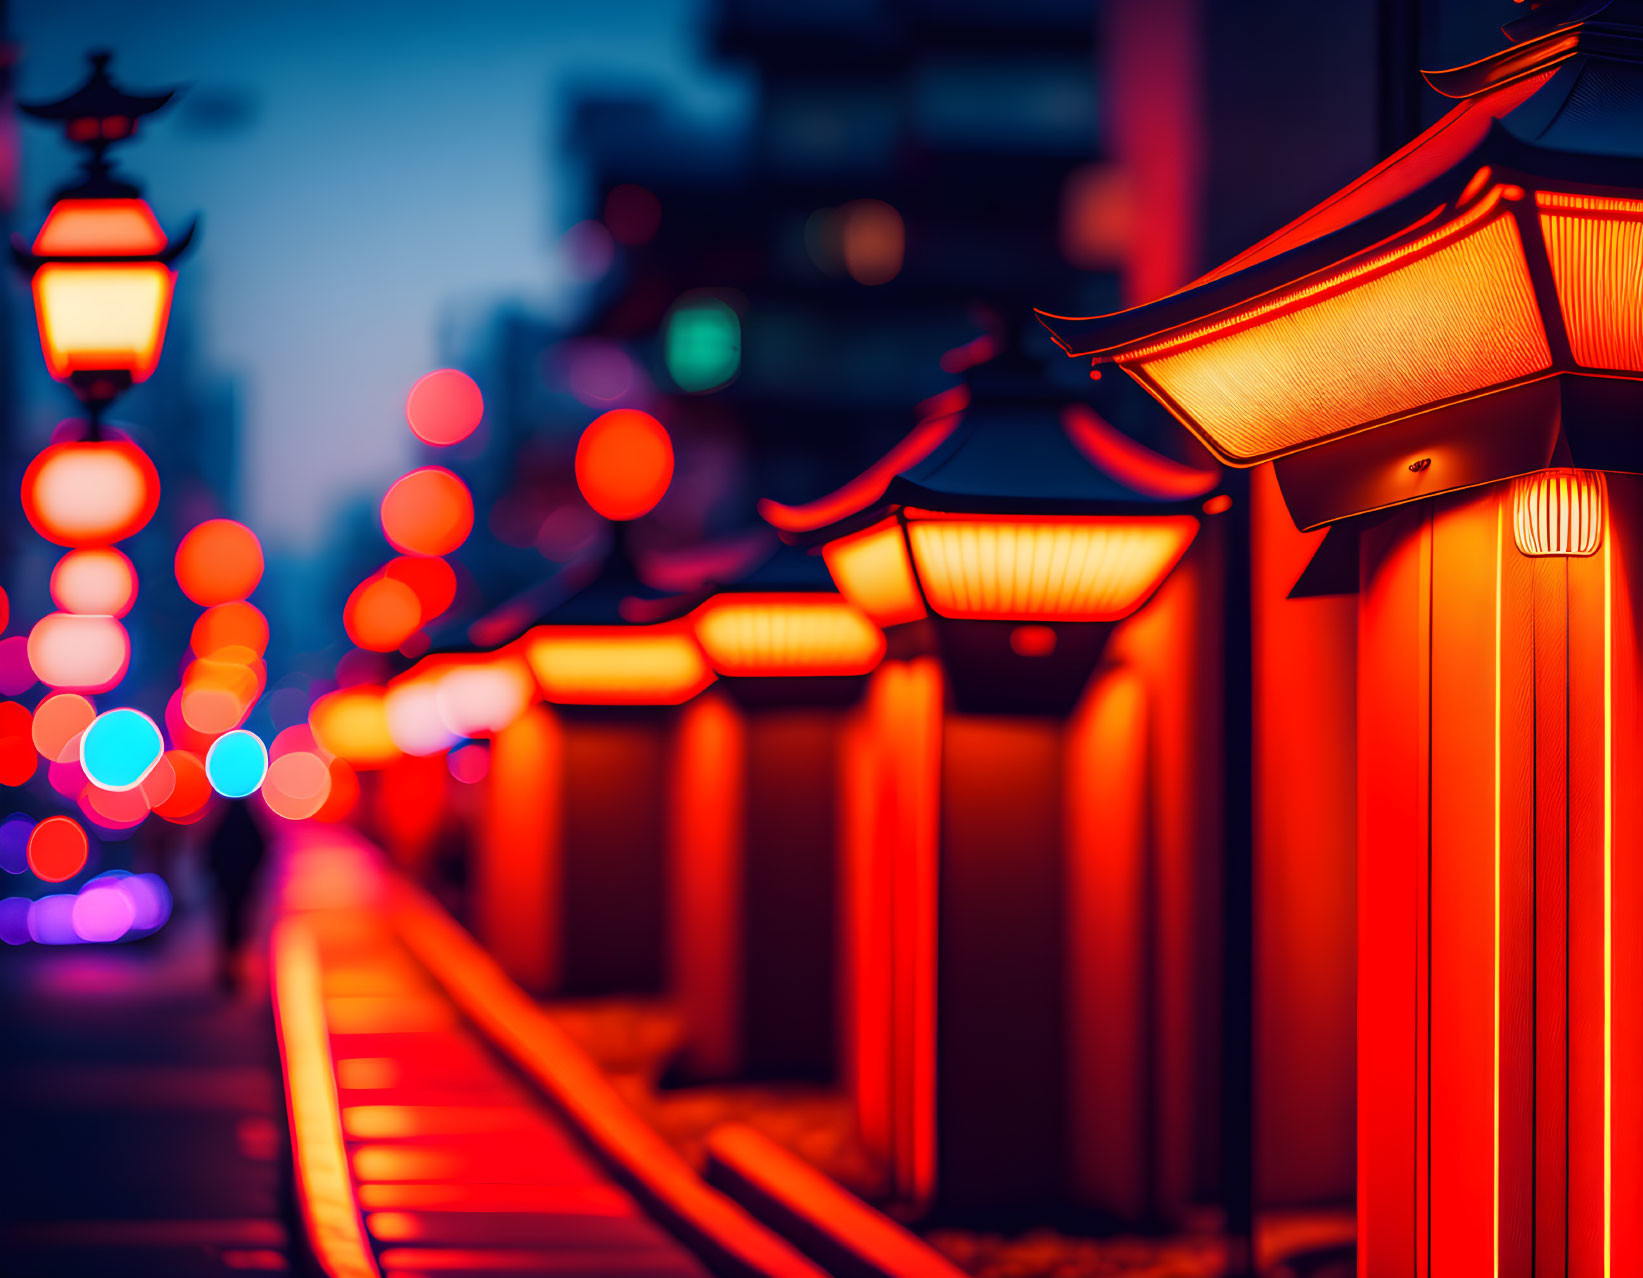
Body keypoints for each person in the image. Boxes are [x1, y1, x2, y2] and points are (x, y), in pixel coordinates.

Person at [205, 798, 268, 993]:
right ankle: (236, 967)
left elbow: (210, 850)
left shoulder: (220, 823)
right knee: (240, 924)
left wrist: (215, 873)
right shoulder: (250, 823)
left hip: (226, 884)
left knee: (227, 925)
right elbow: (261, 848)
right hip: (243, 883)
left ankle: (228, 968)